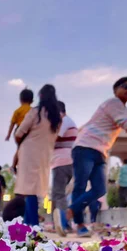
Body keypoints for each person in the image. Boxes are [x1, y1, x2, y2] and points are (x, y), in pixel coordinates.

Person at [68, 76, 127, 236]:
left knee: (99, 189)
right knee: (80, 185)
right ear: (115, 90)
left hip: (100, 152)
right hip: (85, 147)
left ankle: (70, 211)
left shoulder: (126, 111)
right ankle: (79, 225)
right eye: (125, 86)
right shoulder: (112, 103)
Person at [14, 84, 62, 226]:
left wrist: (20, 144)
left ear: (40, 96)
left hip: (29, 153)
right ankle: (28, 225)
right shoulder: (57, 117)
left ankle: (32, 226)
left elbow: (19, 133)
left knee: (29, 190)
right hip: (45, 154)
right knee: (34, 190)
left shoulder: (36, 112)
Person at [51, 101, 78, 236]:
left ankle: (63, 223)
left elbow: (55, 138)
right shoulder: (69, 121)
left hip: (62, 161)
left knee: (58, 194)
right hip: (66, 161)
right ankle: (63, 223)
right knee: (61, 194)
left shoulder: (65, 120)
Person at [6, 89, 34, 173]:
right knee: (28, 149)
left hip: (18, 130)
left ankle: (14, 165)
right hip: (29, 131)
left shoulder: (17, 111)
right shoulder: (33, 110)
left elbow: (12, 124)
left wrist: (8, 135)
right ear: (32, 101)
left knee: (19, 148)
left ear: (20, 100)